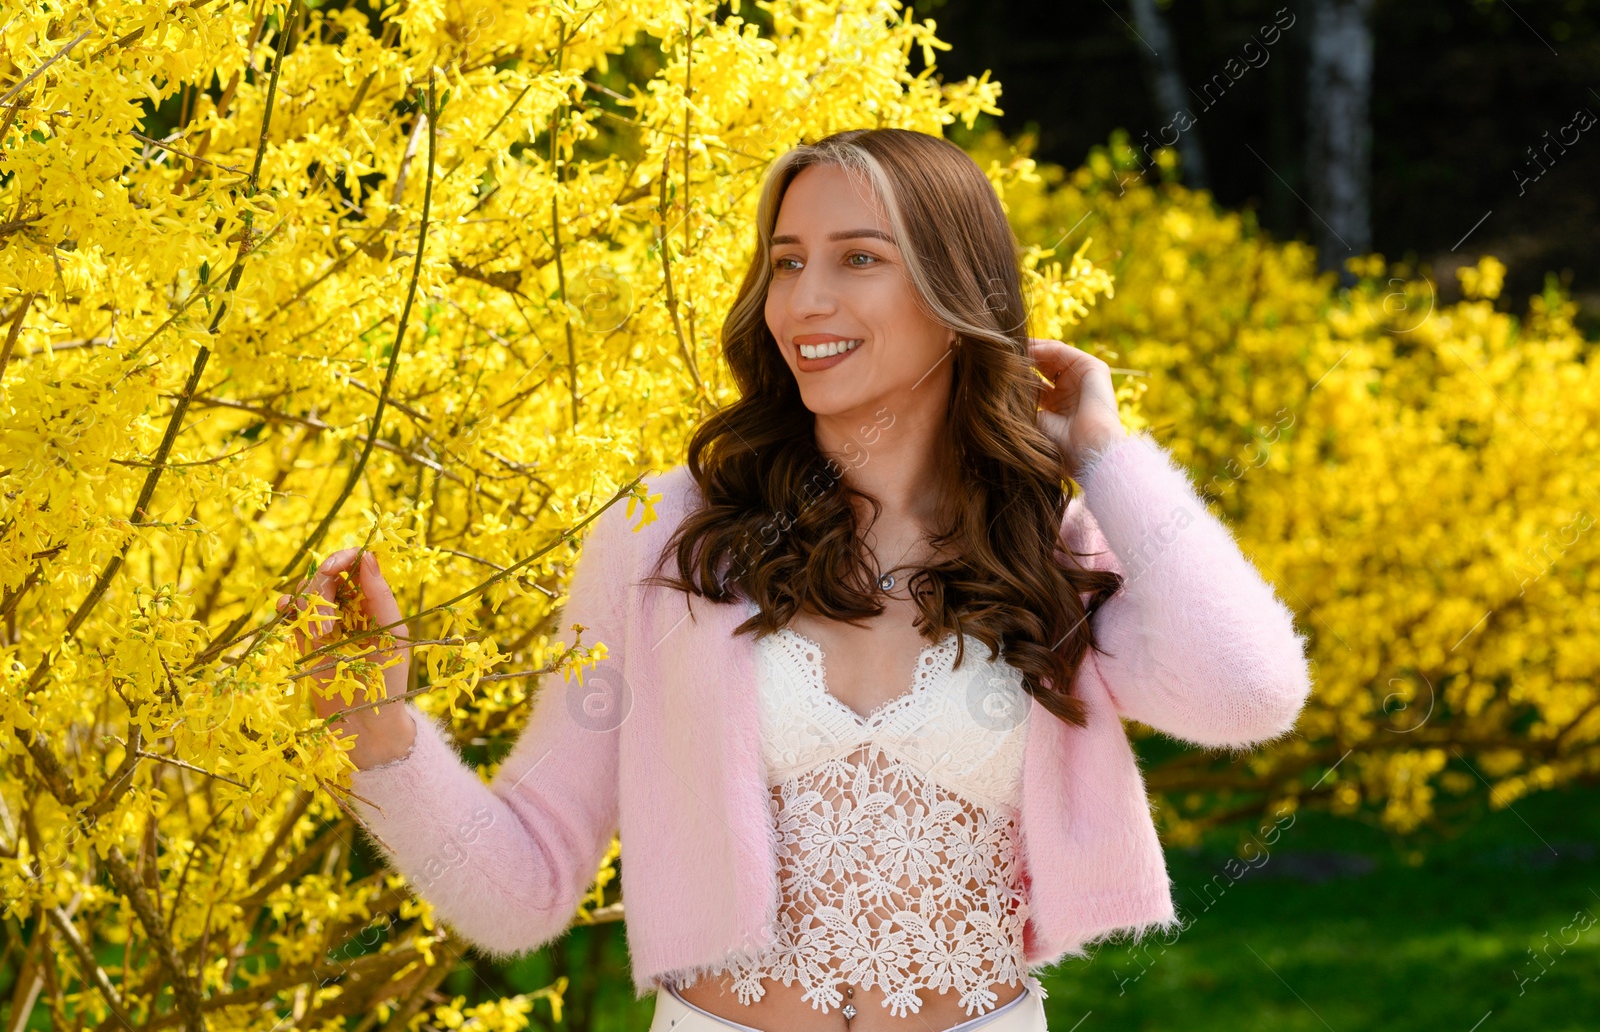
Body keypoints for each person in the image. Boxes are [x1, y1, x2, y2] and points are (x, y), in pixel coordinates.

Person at [281, 128, 1313, 1032]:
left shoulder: (1042, 544)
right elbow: (527, 892)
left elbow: (1248, 691)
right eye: (785, 262)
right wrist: (382, 737)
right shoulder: (663, 538)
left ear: (957, 294)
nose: (804, 301)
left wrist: (1104, 458)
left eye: (857, 258)